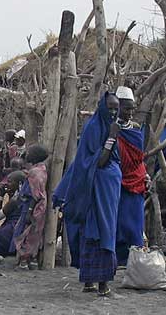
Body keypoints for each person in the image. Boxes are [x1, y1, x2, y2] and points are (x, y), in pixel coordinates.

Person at [53, 91, 123, 296]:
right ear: (102, 107)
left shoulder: (108, 126)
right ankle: (100, 285)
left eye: (115, 108)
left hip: (106, 193)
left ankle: (93, 283)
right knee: (98, 234)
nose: (112, 112)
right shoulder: (95, 128)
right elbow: (96, 161)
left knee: (102, 232)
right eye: (109, 107)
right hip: (94, 193)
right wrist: (111, 137)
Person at [114, 86, 148, 267]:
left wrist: (145, 174)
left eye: (132, 109)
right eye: (126, 108)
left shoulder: (135, 130)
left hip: (136, 183)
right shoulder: (110, 129)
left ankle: (134, 259)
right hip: (117, 184)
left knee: (135, 222)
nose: (130, 112)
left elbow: (138, 159)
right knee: (120, 222)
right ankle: (119, 258)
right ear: (117, 107)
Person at [14, 144, 50, 270]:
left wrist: (29, 211)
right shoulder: (42, 169)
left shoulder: (34, 173)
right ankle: (32, 260)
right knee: (35, 232)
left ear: (34, 157)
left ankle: (24, 260)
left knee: (25, 232)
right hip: (39, 207)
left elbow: (33, 194)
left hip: (32, 206)